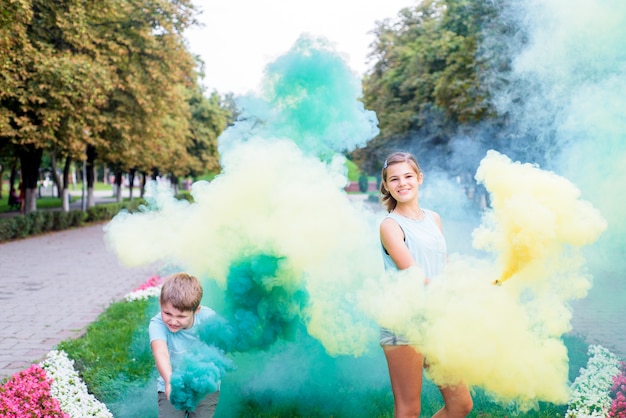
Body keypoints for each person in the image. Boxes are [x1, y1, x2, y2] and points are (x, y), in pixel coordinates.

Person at [378, 151, 473, 417]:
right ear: (386, 185)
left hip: (436, 317)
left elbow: (445, 265)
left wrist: (468, 285)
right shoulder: (390, 225)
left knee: (461, 405)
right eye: (394, 179)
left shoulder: (434, 218)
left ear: (419, 178)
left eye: (408, 176)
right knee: (409, 409)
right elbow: (415, 275)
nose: (402, 183)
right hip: (404, 319)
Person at [149, 272, 221, 418]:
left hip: (204, 386)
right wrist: (170, 382)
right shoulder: (157, 324)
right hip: (171, 384)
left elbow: (219, 350)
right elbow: (160, 352)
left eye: (181, 316)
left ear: (196, 310)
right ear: (160, 304)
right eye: (167, 313)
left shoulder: (209, 319)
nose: (173, 321)